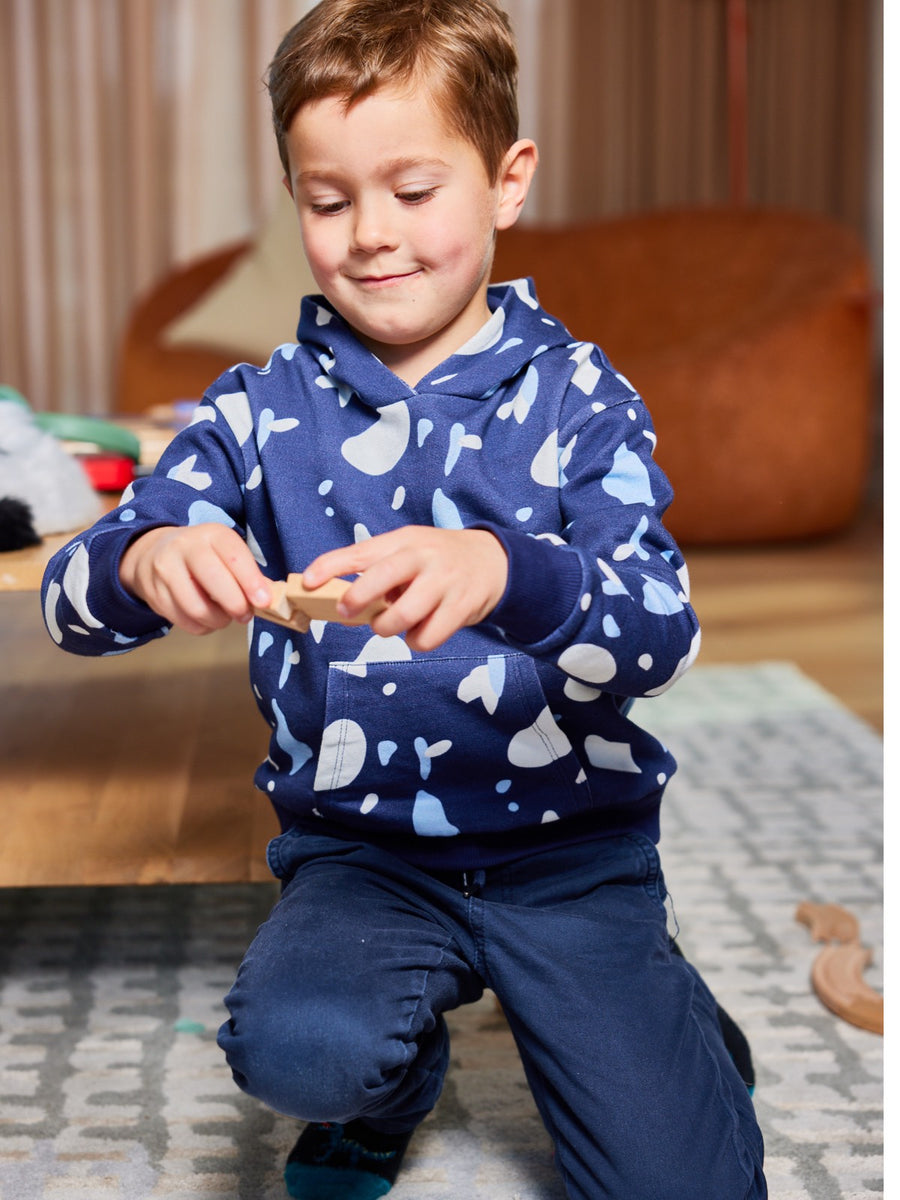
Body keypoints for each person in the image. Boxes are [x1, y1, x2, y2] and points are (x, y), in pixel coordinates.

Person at [41, 1, 767, 1196]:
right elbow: (71, 599)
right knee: (298, 1050)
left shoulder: (583, 395)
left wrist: (508, 570)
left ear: (506, 181)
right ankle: (388, 1090)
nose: (370, 235)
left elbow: (661, 628)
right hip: (363, 856)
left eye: (414, 191)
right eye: (329, 202)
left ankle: (660, 1009)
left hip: (570, 857)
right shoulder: (253, 409)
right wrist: (144, 558)